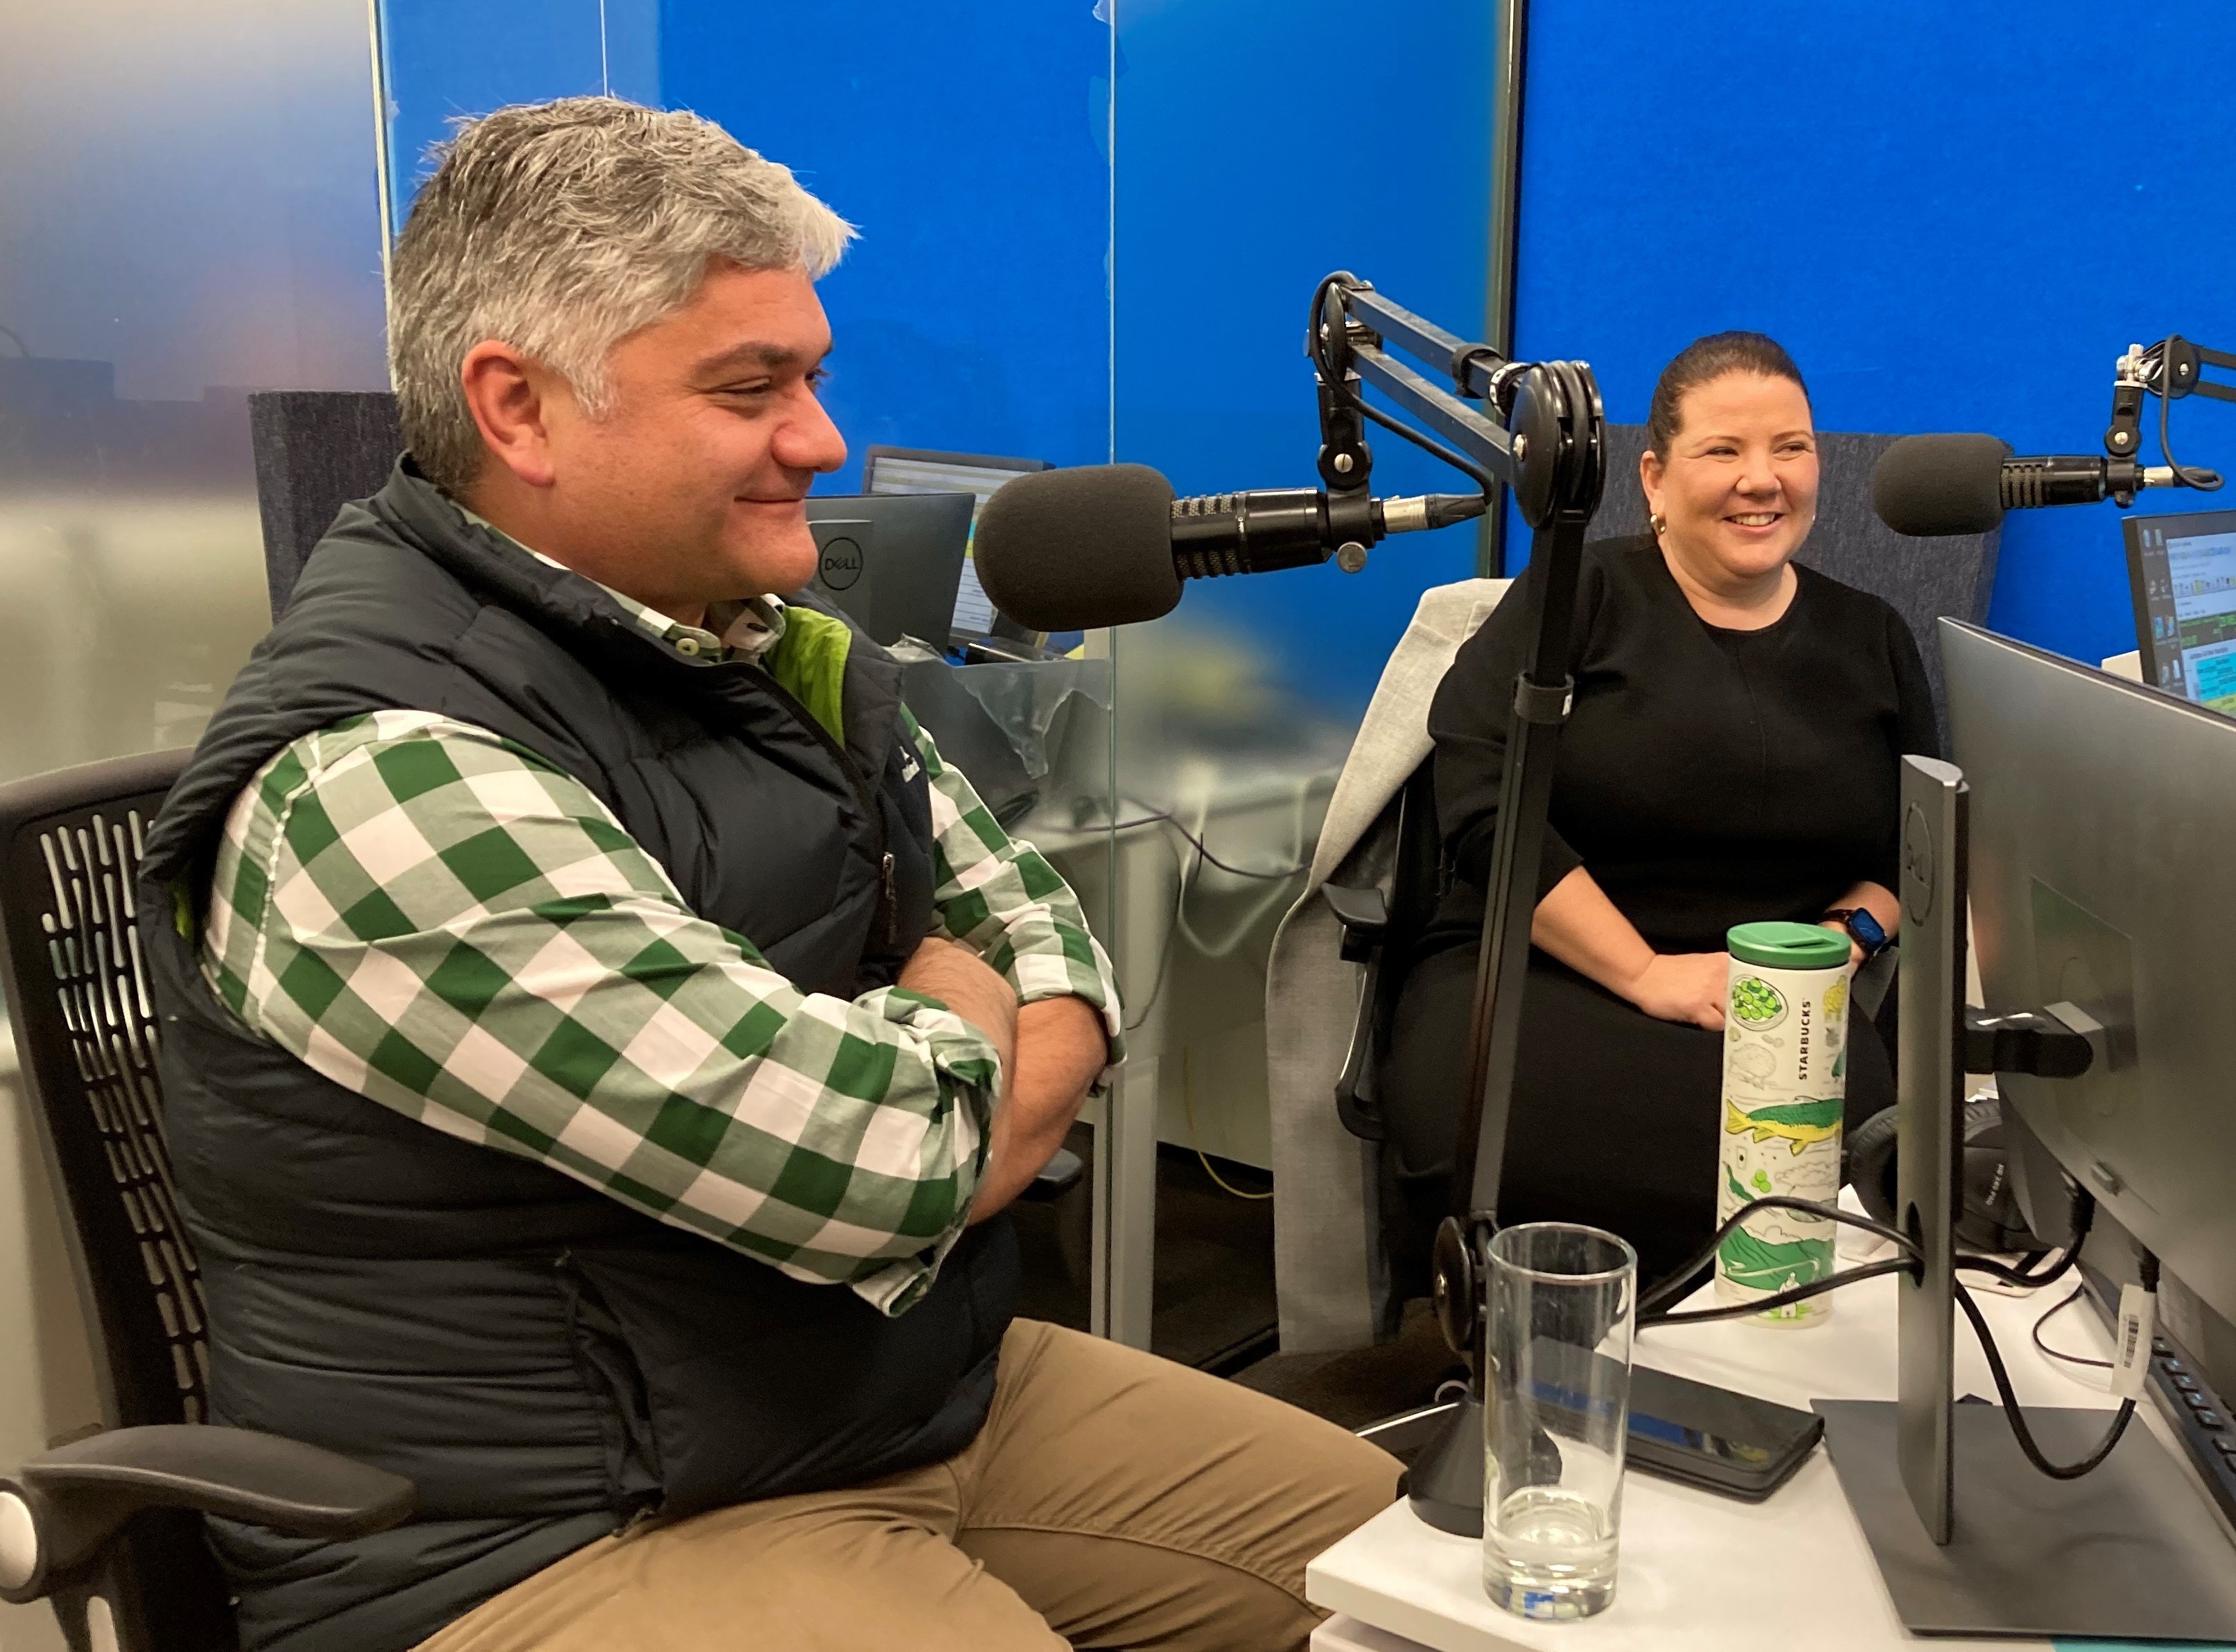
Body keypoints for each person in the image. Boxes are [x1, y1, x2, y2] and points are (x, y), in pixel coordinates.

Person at [137, 97, 1393, 1652]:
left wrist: (957, 1055)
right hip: (546, 1530)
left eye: (812, 374)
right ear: (516, 408)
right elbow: (880, 1167)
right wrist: (959, 1058)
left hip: (873, 1392)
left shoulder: (761, 646)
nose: (819, 439)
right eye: (752, 388)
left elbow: (1051, 940)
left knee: (1405, 1579)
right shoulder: (385, 782)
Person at [1379, 332, 1941, 1288]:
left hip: (1777, 1006)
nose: (1762, 480)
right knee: (1528, 1156)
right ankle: (1549, 1395)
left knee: (1850, 1179)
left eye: (1791, 448)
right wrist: (1646, 972)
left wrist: (1846, 938)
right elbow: (1477, 797)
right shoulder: (1579, 596)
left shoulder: (1872, 638)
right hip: (1548, 972)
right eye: (1723, 451)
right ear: (1653, 475)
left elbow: (1915, 850)